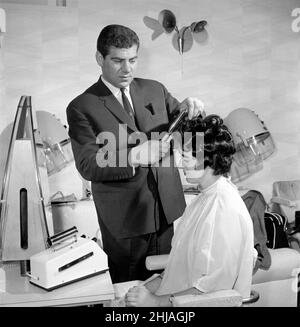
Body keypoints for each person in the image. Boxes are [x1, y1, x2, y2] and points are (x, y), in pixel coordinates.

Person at [66, 24, 204, 283]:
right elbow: (87, 164)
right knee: (130, 293)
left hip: (166, 210)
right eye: (117, 61)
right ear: (100, 58)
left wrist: (191, 108)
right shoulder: (81, 107)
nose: (127, 69)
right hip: (124, 221)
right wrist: (134, 156)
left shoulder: (156, 90)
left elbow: (186, 134)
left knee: (164, 286)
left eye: (132, 60)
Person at [125, 115, 256, 306]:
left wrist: (155, 302)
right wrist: (144, 290)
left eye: (185, 156)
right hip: (176, 297)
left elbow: (214, 289)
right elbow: (179, 265)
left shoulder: (224, 207)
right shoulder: (202, 199)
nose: (179, 163)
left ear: (207, 158)